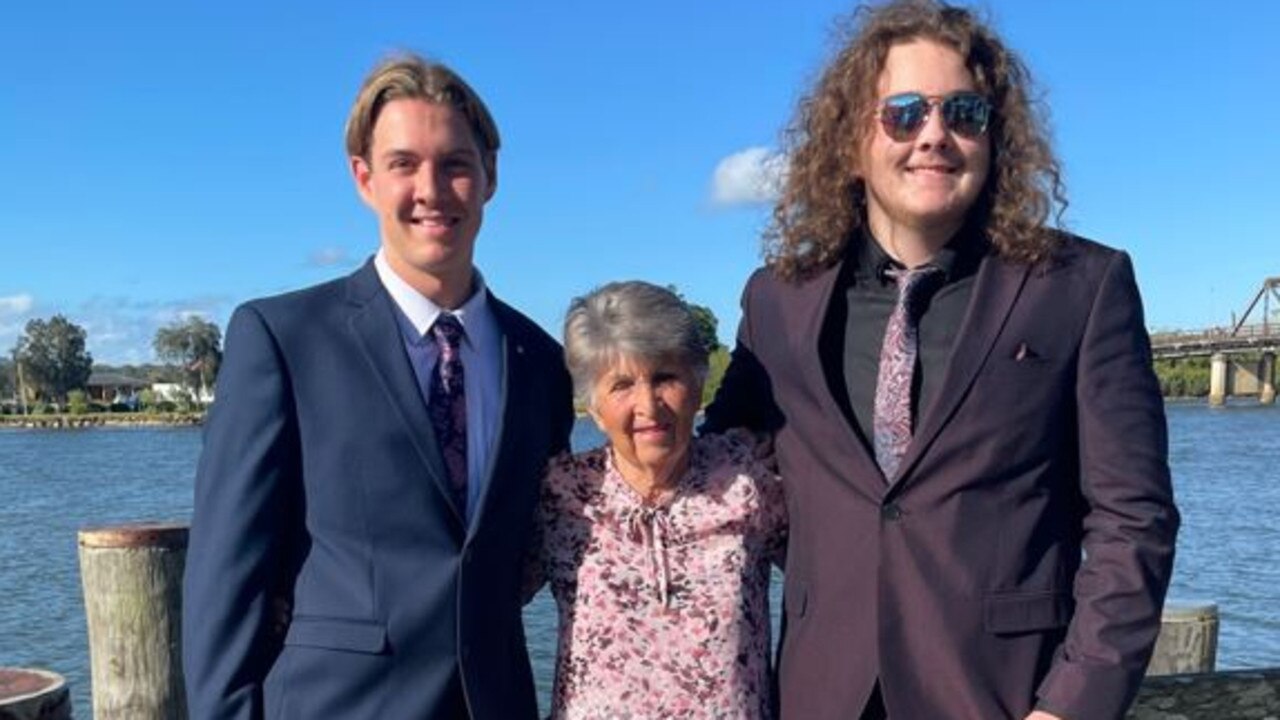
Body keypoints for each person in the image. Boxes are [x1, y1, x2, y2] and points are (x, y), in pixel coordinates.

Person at [702, 2, 1179, 718]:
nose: (934, 136)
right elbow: (711, 466)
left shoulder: (1081, 287)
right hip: (819, 691)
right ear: (851, 140)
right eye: (902, 113)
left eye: (963, 112)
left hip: (1003, 694)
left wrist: (1073, 707)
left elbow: (1133, 521)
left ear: (994, 134)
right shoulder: (777, 303)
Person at [182, 53, 574, 719]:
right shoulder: (282, 339)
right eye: (404, 164)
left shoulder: (540, 361)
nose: (432, 189)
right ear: (364, 178)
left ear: (490, 176)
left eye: (455, 163)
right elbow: (225, 580)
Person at [528, 281, 787, 719]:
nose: (648, 404)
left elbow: (830, 589)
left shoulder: (748, 480)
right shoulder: (561, 494)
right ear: (593, 406)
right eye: (622, 385)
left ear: (697, 380)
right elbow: (482, 604)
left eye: (665, 377)